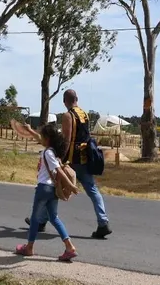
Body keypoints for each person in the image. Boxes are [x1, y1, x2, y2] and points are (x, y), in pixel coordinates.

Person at [24, 89, 111, 239]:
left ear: (65, 101)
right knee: (93, 190)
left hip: (72, 160)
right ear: (77, 99)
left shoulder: (67, 115)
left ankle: (40, 221)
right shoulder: (84, 114)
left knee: (53, 187)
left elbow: (67, 139)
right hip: (85, 158)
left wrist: (60, 159)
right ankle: (103, 222)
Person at [14, 123, 79, 262]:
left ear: (48, 139)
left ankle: (29, 248)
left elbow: (60, 171)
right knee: (54, 218)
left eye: (42, 136)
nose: (40, 139)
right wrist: (30, 130)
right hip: (52, 190)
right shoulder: (53, 152)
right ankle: (69, 247)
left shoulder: (47, 152)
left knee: (35, 219)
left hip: (44, 189)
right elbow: (39, 137)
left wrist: (71, 185)